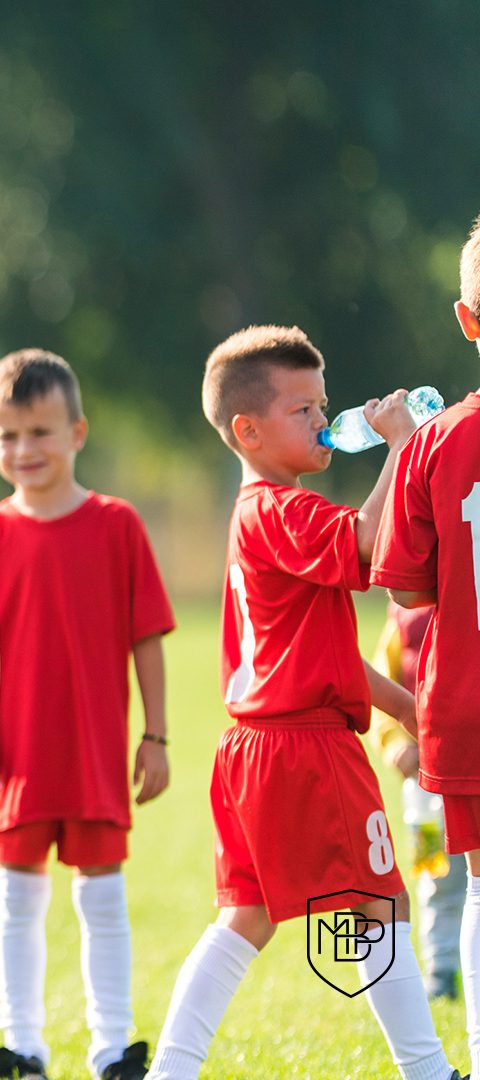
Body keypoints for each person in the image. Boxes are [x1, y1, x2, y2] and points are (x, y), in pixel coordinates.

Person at [145, 325, 454, 1080]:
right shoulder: (282, 509)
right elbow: (372, 547)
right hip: (306, 749)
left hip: (254, 747)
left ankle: (170, 1070)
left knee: (245, 918)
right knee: (380, 904)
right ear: (247, 429)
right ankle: (429, 1071)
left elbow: (324, 657)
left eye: (323, 405)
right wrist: (401, 449)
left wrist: (405, 707)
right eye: (303, 410)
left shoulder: (267, 512)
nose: (325, 420)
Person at [0, 349, 173, 1080]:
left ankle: (113, 1046)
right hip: (11, 754)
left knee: (104, 901)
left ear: (78, 431)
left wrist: (154, 734)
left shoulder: (117, 524)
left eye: (41, 432)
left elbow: (146, 636)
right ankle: (21, 1046)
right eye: (8, 435)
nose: (25, 450)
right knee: (15, 901)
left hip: (91, 748)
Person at [375, 212, 480, 1072]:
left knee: (479, 887)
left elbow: (409, 588)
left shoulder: (437, 443)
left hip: (466, 706)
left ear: (466, 319)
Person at [368, 604, 464, 1003]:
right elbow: (382, 681)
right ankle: (440, 970)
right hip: (425, 784)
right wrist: (395, 742)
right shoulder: (404, 616)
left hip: (469, 766)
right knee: (433, 873)